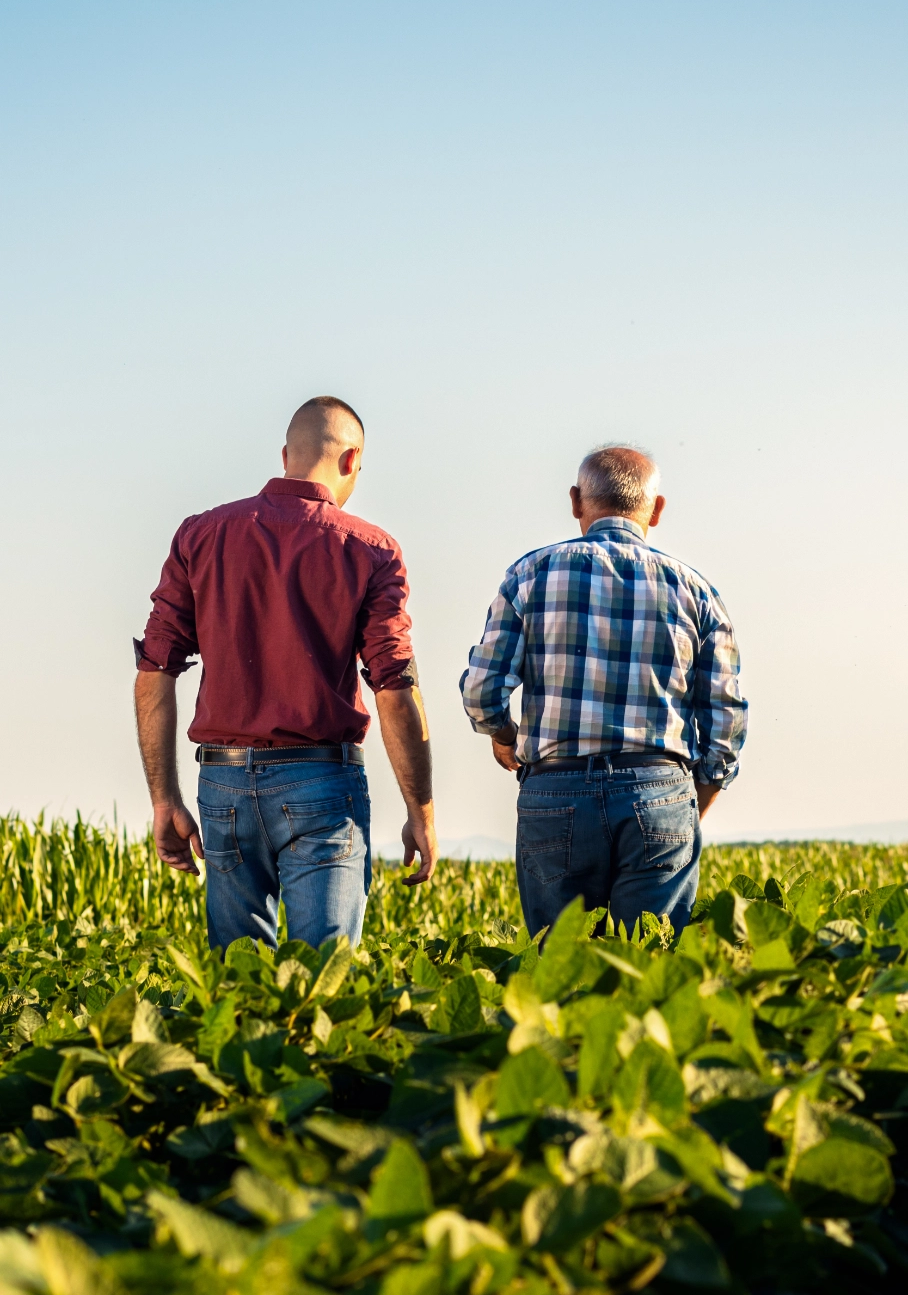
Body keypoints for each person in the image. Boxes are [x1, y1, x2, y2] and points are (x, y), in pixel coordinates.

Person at [134, 395, 438, 952]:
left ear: (285, 456)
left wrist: (163, 799)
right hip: (321, 784)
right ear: (350, 461)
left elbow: (155, 670)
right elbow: (394, 687)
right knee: (325, 978)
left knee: (240, 986)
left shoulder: (199, 535)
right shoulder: (372, 550)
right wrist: (421, 811)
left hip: (220, 786)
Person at [461, 445, 747, 937]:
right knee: (648, 975)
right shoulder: (697, 591)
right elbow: (726, 721)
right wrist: (691, 797)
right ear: (656, 510)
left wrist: (504, 734)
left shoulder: (529, 576)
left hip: (555, 788)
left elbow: (482, 690)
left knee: (558, 970)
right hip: (660, 785)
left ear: (576, 502)